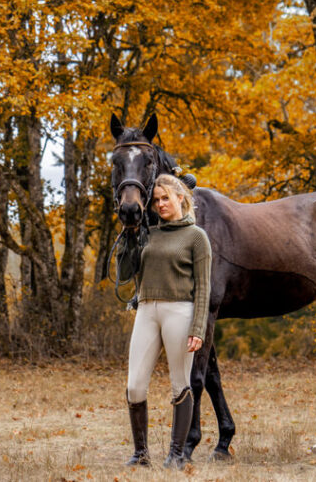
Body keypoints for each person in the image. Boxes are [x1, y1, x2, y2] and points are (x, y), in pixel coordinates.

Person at [125, 173, 212, 470]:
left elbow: (204, 288)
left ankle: (176, 454)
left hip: (180, 311)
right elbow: (126, 271)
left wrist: (198, 328)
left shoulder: (197, 237)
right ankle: (141, 454)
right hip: (147, 310)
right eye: (156, 200)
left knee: (180, 383)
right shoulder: (149, 232)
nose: (160, 204)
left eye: (166, 198)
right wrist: (128, 236)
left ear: (181, 198)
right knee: (135, 385)